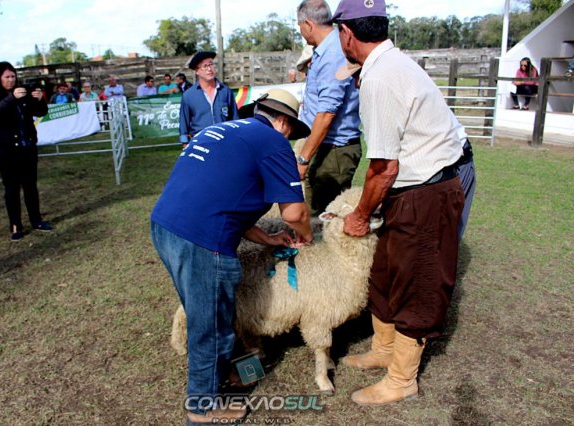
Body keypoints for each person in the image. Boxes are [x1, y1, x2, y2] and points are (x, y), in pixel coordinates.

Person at [151, 88, 313, 425]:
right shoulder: (274, 142)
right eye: (291, 132)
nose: (289, 138)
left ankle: (234, 372)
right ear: (283, 122)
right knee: (210, 326)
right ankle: (202, 409)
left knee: (211, 313)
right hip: (202, 240)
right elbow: (295, 213)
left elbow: (222, 197)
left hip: (166, 226)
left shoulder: (222, 130)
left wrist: (267, 238)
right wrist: (307, 237)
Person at [333, 0, 465, 406]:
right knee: (386, 271)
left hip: (425, 190)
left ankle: (402, 378)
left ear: (347, 33)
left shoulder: (379, 77)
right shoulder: (391, 64)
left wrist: (360, 215)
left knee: (417, 280)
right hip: (408, 188)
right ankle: (385, 348)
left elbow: (384, 166)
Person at [296, 0, 362, 216]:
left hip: (332, 150)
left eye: (299, 25)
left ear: (308, 24)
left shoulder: (333, 54)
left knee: (325, 218)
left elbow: (326, 113)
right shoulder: (325, 50)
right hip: (324, 145)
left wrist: (303, 159)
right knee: (316, 211)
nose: (300, 31)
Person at [0, 62, 53, 241]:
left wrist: (39, 99)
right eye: (7, 77)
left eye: (13, 76)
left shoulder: (22, 92)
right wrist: (12, 98)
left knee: (31, 186)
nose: (11, 80)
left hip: (27, 146)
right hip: (7, 150)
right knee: (12, 189)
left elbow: (41, 112)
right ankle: (15, 226)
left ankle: (36, 220)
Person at [178, 51, 239, 147]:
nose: (209, 69)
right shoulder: (188, 95)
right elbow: (184, 124)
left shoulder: (225, 91)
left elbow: (235, 119)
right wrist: (185, 144)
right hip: (201, 144)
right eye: (205, 66)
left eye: (211, 64)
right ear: (197, 71)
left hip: (225, 142)